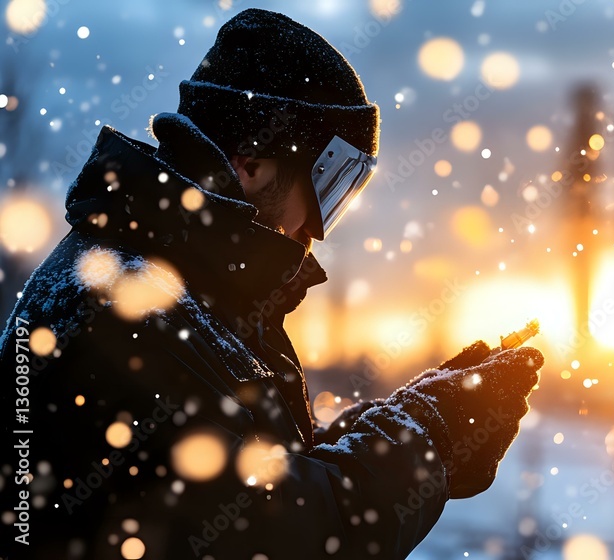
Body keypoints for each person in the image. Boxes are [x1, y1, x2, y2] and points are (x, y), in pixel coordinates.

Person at [0, 8, 543, 559]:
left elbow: (256, 477)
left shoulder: (180, 295)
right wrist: (426, 437)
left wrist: (408, 421)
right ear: (252, 163)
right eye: (329, 182)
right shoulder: (117, 311)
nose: (316, 229)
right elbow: (272, 536)